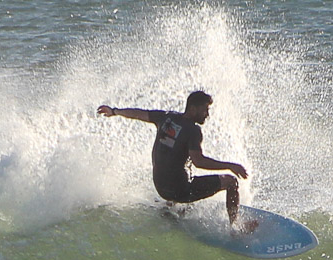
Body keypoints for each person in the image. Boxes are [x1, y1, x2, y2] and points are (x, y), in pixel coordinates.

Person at [97, 90, 251, 225]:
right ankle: (236, 226)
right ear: (193, 108)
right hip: (179, 190)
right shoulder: (193, 130)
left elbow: (139, 114)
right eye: (205, 110)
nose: (207, 114)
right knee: (231, 182)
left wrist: (115, 111)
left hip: (160, 186)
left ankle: (170, 207)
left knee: (181, 165)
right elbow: (199, 161)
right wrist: (230, 166)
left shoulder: (166, 117)